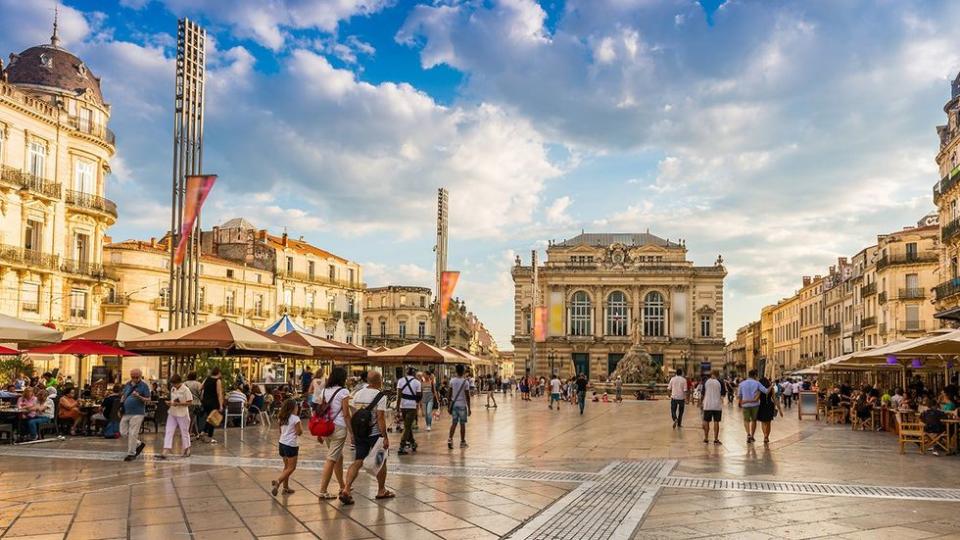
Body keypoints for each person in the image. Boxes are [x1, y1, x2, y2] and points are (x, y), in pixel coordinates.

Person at [340, 371, 392, 505]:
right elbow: (380, 418)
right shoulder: (380, 396)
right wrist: (385, 437)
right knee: (381, 461)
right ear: (379, 381)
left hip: (360, 433)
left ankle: (346, 488)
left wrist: (354, 433)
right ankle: (381, 490)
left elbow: (354, 414)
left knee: (358, 461)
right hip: (375, 434)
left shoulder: (358, 393)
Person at [318, 368, 350, 499]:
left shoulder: (324, 391)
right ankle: (323, 490)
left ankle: (342, 485)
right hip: (339, 427)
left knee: (338, 456)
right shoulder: (344, 392)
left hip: (326, 427)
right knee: (331, 459)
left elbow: (319, 411)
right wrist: (352, 433)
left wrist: (319, 432)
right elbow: (346, 414)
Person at [272, 398, 302, 496]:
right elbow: (299, 432)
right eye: (297, 406)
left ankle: (286, 488)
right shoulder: (295, 418)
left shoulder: (281, 417)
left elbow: (280, 431)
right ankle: (278, 481)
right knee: (291, 468)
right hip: (291, 445)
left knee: (286, 467)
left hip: (282, 443)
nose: (297, 408)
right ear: (293, 408)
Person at [120, 369, 150, 461]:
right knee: (123, 432)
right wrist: (121, 406)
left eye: (136, 377)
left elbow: (148, 400)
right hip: (126, 412)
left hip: (138, 412)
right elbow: (124, 396)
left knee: (133, 433)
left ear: (140, 376)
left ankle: (131, 454)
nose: (135, 379)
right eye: (133, 377)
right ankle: (138, 444)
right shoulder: (128, 384)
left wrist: (139, 396)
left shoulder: (144, 386)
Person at [160, 374, 193, 458]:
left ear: (179, 382)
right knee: (169, 430)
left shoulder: (186, 390)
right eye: (172, 384)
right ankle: (166, 449)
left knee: (184, 431)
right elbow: (173, 399)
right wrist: (170, 403)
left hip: (182, 414)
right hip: (172, 412)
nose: (173, 385)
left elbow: (189, 402)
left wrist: (178, 404)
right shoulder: (173, 389)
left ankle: (187, 448)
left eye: (175, 383)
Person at [737, 369, 769, 444]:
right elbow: (766, 391)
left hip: (745, 405)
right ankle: (752, 436)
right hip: (755, 405)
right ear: (755, 375)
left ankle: (748, 434)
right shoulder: (757, 383)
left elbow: (739, 395)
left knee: (746, 420)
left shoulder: (742, 384)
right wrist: (771, 386)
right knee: (754, 420)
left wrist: (741, 402)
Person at [396, 367, 421, 455]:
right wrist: (417, 404)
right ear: (414, 373)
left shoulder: (400, 381)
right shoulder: (417, 382)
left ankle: (413, 443)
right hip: (412, 406)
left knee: (408, 425)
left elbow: (398, 396)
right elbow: (418, 397)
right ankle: (401, 446)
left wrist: (397, 408)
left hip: (403, 406)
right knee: (407, 426)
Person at [448, 364, 471, 449]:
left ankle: (450, 439)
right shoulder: (466, 382)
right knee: (462, 424)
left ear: (456, 371)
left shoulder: (452, 381)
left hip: (454, 405)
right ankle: (462, 442)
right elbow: (467, 396)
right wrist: (469, 407)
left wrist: (448, 406)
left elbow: (449, 394)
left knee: (454, 423)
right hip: (462, 405)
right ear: (463, 371)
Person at [200, 368, 225, 444]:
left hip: (205, 402)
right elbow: (219, 393)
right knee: (212, 419)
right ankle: (206, 434)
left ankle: (206, 434)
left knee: (210, 418)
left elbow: (200, 387)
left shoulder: (207, 379)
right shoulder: (218, 381)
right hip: (213, 402)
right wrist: (221, 405)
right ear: (219, 373)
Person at [756, 377, 783, 444]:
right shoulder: (772, 389)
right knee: (768, 423)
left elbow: (756, 399)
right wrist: (779, 409)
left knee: (763, 422)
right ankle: (766, 436)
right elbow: (775, 399)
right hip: (769, 406)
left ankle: (765, 435)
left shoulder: (759, 389)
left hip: (762, 406)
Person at [701, 370, 724, 445]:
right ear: (717, 375)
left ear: (711, 375)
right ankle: (716, 439)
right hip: (717, 405)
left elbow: (703, 394)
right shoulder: (720, 382)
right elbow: (723, 394)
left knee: (706, 421)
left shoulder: (706, 382)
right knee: (716, 422)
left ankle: (706, 438)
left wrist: (701, 403)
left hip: (707, 404)